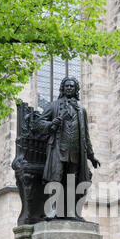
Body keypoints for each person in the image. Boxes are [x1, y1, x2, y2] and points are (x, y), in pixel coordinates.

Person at [34, 76, 100, 219]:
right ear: (63, 88)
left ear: (76, 89)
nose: (69, 88)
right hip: (58, 149)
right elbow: (39, 123)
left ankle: (71, 212)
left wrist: (91, 155)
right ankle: (52, 210)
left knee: (72, 181)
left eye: (72, 86)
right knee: (55, 178)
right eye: (67, 86)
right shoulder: (54, 106)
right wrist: (52, 124)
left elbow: (86, 135)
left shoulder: (81, 110)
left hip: (75, 151)